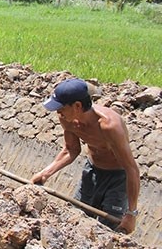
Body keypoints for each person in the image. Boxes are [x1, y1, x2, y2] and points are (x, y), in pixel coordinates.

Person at [30, 78, 140, 234]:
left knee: (108, 231)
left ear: (77, 106)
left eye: (61, 107)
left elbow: (132, 169)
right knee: (75, 220)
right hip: (91, 172)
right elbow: (71, 150)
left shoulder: (109, 126)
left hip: (117, 179)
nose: (58, 112)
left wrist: (131, 213)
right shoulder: (66, 119)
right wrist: (45, 173)